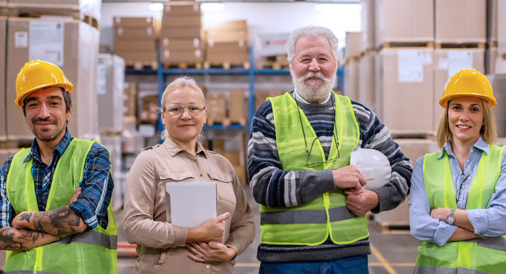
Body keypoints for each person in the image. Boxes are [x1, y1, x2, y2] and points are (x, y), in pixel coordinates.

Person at [248, 25, 413, 273]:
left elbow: (404, 168)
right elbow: (262, 185)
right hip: (286, 260)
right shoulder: (270, 114)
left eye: (323, 58)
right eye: (305, 59)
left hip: (349, 257)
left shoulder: (360, 116)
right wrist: (331, 178)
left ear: (336, 63)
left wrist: (376, 199)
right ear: (291, 64)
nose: (314, 66)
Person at [123, 76, 255, 274]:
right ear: (163, 116)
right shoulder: (149, 161)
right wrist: (193, 234)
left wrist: (231, 250)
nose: (186, 115)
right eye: (176, 109)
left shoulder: (223, 165)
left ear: (205, 115)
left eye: (193, 108)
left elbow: (246, 222)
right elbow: (134, 227)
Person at [0, 60, 117, 273]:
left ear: (69, 110)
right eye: (34, 104)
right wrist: (66, 221)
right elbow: (1, 236)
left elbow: (81, 218)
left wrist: (22, 219)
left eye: (53, 103)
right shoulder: (10, 168)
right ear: (25, 113)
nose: (44, 113)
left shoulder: (93, 155)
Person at [409, 69, 506, 274]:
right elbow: (419, 225)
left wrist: (448, 215)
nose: (464, 117)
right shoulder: (424, 165)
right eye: (457, 108)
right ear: (448, 114)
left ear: (485, 116)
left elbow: (502, 219)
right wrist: (480, 230)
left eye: (474, 109)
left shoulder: (502, 159)